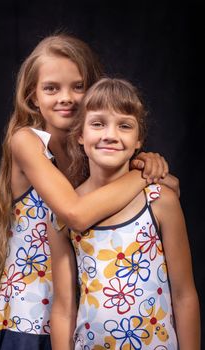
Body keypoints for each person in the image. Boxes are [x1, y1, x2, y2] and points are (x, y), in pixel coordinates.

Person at [0, 33, 178, 350]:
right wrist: (143, 173)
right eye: (51, 88)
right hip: (29, 319)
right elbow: (74, 214)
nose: (67, 98)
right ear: (32, 97)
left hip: (81, 324)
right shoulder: (26, 141)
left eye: (78, 86)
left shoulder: (93, 154)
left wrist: (149, 166)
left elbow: (170, 187)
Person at [50, 78, 200, 349]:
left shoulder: (159, 200)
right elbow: (63, 308)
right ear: (80, 134)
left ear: (138, 139)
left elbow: (184, 294)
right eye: (98, 123)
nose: (110, 134)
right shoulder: (64, 213)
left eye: (124, 126)